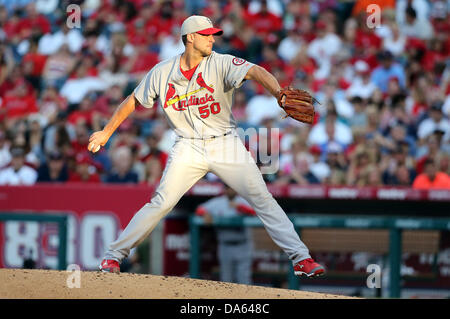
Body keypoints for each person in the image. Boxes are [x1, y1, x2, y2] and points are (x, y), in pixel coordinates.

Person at [90, 15, 325, 277]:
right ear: (191, 37)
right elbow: (132, 101)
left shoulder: (222, 62)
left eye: (213, 34)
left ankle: (301, 258)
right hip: (187, 146)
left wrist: (278, 92)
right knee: (162, 202)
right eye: (207, 34)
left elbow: (256, 70)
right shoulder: (162, 72)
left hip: (225, 142)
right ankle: (113, 257)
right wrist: (106, 132)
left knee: (262, 199)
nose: (212, 38)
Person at [195, 184, 255, 284]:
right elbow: (199, 209)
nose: (230, 190)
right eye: (228, 187)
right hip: (225, 245)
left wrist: (241, 208)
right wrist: (205, 213)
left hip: (243, 245)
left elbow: (256, 212)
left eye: (232, 187)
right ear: (225, 189)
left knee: (244, 280)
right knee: (226, 280)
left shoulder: (243, 201)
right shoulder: (218, 202)